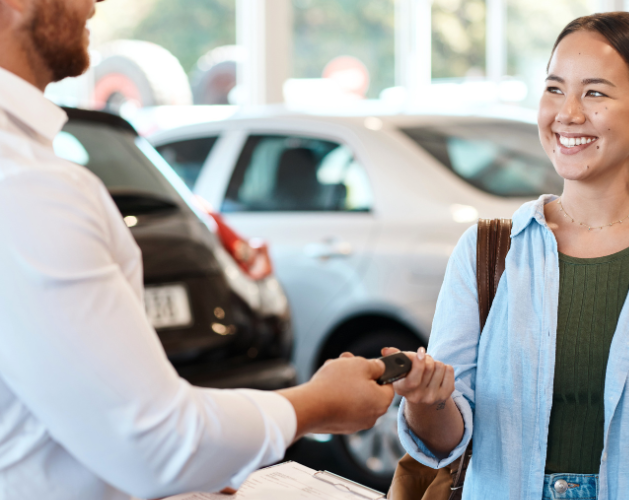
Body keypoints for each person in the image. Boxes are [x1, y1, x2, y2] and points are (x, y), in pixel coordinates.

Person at [0, 1, 394, 499]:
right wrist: (315, 405)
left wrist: (201, 467)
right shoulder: (27, 183)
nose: (93, 2)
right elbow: (155, 444)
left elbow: (55, 420)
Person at [386, 12, 629, 500]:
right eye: (554, 89)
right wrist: (426, 402)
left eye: (595, 93)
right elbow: (448, 441)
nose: (568, 113)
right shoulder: (489, 252)